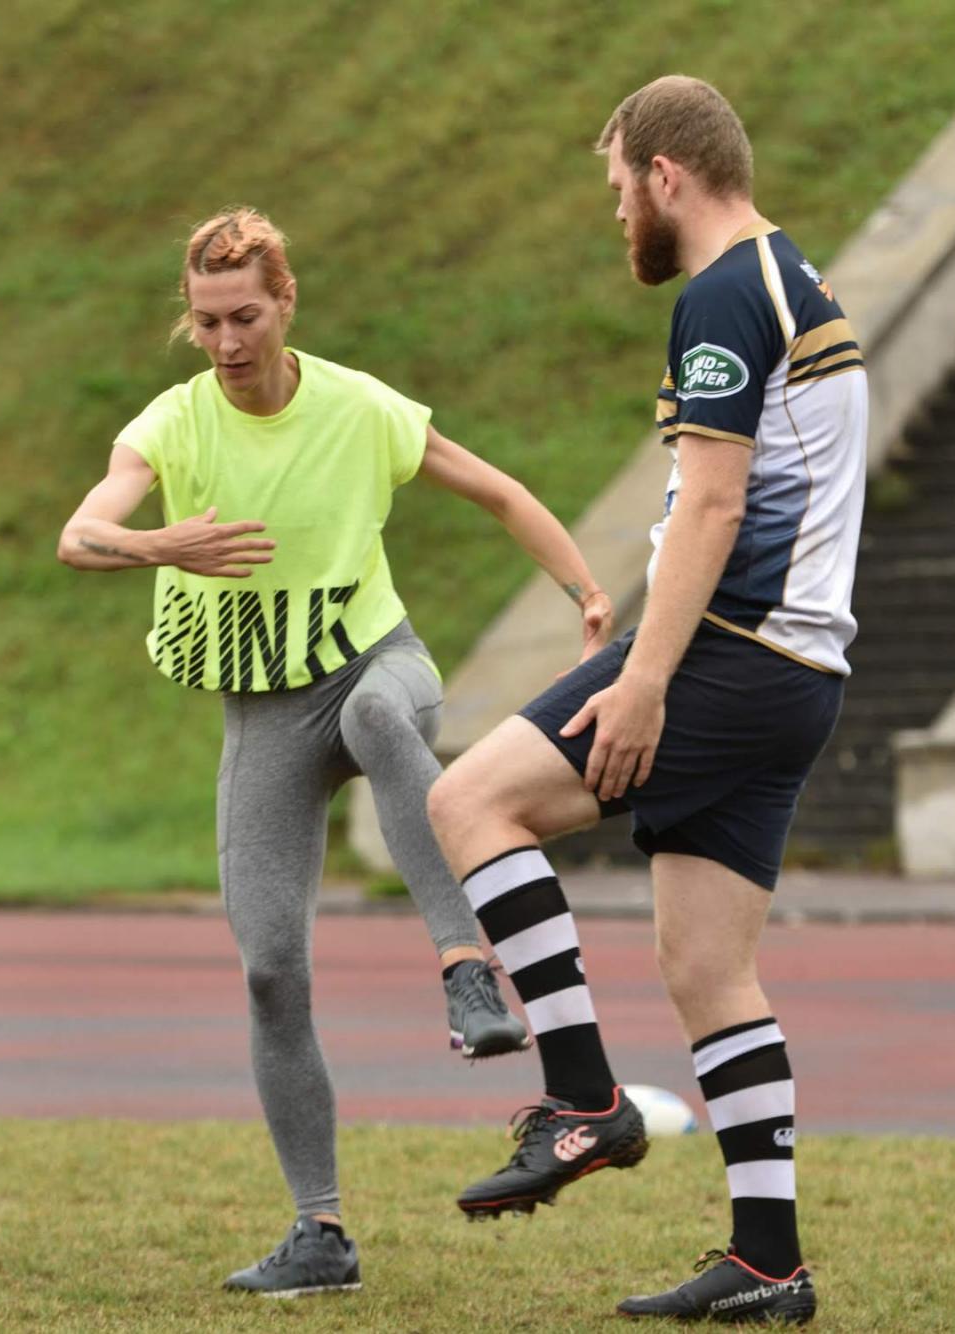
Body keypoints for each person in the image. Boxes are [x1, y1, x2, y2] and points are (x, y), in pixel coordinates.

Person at [58, 207, 613, 1297]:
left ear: (287, 302)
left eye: (246, 316)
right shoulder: (173, 423)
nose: (227, 342)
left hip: (377, 664)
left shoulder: (358, 407)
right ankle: (319, 1230)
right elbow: (80, 533)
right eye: (207, 321)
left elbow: (497, 490)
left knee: (373, 717)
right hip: (264, 715)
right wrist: (160, 544)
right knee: (270, 970)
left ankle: (467, 970)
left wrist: (586, 591)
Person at [426, 77, 866, 1324]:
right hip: (800, 672)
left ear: (665, 174)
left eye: (618, 183)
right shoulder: (793, 274)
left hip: (730, 651)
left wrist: (645, 680)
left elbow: (717, 505)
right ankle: (769, 1260)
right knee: (708, 968)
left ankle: (582, 1100)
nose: (615, 208)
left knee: (469, 801)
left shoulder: (720, 291)